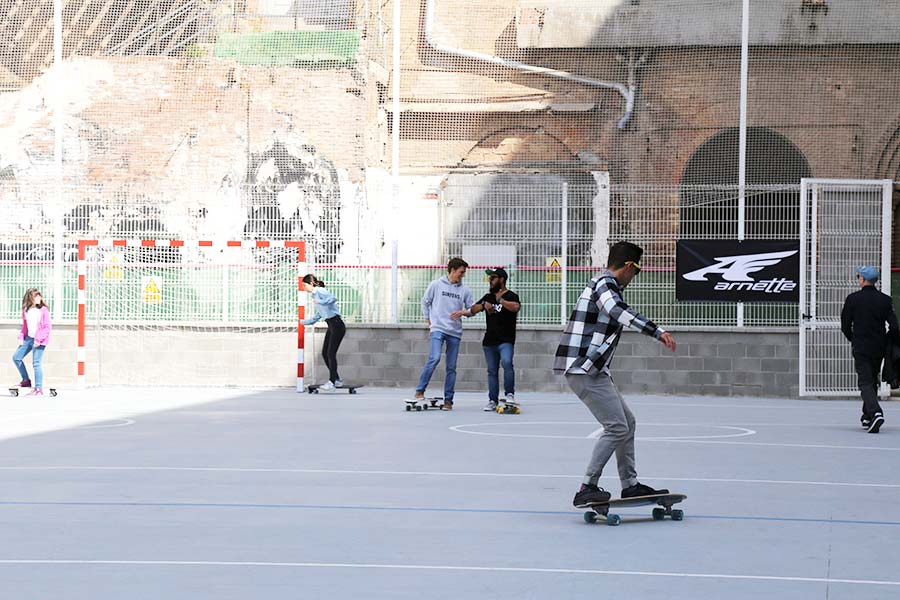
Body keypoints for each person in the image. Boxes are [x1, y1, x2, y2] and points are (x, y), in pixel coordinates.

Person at [554, 241, 677, 508]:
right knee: (616, 426)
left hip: (594, 369)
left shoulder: (606, 285)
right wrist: (657, 331)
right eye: (637, 271)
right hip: (583, 368)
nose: (635, 277)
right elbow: (618, 311)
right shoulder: (605, 284)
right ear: (629, 266)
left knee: (627, 423)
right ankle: (587, 486)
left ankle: (630, 485)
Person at [840, 266, 899, 433]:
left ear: (862, 279)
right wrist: (892, 342)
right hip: (879, 346)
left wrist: (852, 337)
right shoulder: (885, 300)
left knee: (865, 381)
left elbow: (845, 325)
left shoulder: (853, 299)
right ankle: (867, 417)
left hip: (861, 345)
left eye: (859, 276)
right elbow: (894, 326)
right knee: (872, 378)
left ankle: (876, 413)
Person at [414, 257, 476, 410]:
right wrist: (428, 320)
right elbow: (425, 301)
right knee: (434, 358)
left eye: (464, 273)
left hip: (454, 332)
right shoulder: (436, 285)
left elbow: (472, 309)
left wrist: (464, 312)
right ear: (452, 270)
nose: (462, 275)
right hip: (438, 328)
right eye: (461, 272)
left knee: (451, 367)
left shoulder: (464, 290)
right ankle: (420, 390)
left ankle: (448, 400)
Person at [469, 267, 521, 411]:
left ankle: (509, 394)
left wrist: (501, 301)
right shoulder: (488, 296)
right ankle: (493, 400)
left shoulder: (511, 296)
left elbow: (516, 307)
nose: (490, 281)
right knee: (492, 371)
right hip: (489, 341)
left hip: (506, 340)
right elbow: (472, 309)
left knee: (507, 363)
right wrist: (483, 305)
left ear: (501, 279)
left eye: (492, 278)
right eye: (489, 278)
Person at [301, 274, 345, 390]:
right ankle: (337, 379)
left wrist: (320, 301)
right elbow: (317, 316)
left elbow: (333, 298)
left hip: (337, 324)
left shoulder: (320, 291)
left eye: (305, 285)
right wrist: (302, 322)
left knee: (330, 353)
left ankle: (331, 382)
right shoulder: (315, 296)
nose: (304, 288)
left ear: (311, 283)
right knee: (325, 353)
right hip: (331, 325)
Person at [13, 288, 52, 397]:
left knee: (36, 363)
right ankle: (26, 380)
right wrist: (21, 337)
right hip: (29, 338)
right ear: (30, 298)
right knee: (16, 357)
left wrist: (38, 340)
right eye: (36, 296)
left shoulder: (43, 310)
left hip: (40, 340)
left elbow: (47, 328)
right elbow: (25, 327)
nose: (39, 298)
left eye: (39, 295)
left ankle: (38, 389)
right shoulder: (26, 310)